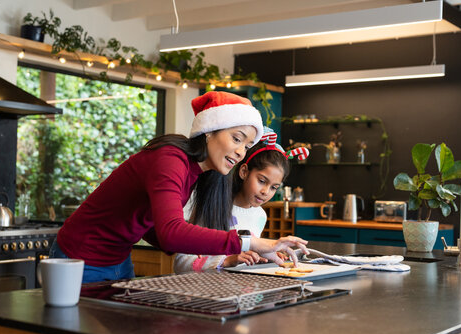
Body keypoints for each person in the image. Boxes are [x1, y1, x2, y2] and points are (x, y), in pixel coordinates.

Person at [50, 91, 309, 283]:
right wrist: (252, 243)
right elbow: (171, 232)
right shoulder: (170, 159)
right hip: (80, 258)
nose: (241, 151)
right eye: (236, 138)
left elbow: (155, 226)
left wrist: (200, 252)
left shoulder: (196, 171)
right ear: (210, 131)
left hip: (118, 259)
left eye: (247, 145)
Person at [174, 130, 310, 273]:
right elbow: (182, 263)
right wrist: (226, 261)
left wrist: (263, 255)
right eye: (262, 181)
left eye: (274, 187)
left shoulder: (260, 216)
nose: (265, 191)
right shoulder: (212, 205)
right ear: (244, 172)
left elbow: (246, 256)